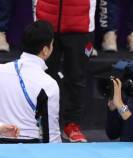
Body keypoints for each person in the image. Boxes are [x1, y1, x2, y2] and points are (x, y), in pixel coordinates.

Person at [0, 20, 61, 143]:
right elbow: (51, 133)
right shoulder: (49, 84)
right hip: (31, 148)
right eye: (52, 44)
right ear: (46, 50)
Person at [35, 0, 96, 142]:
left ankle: (72, 125)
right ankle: (41, 121)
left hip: (80, 21)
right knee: (41, 77)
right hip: (46, 17)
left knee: (76, 77)